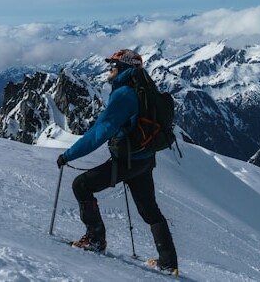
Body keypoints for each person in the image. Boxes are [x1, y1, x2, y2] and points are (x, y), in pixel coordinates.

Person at [56, 49, 178, 274]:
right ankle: (168, 262)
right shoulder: (144, 89)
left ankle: (95, 239)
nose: (109, 68)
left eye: (112, 65)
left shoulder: (124, 95)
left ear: (123, 67)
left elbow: (100, 132)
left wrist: (69, 155)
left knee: (81, 185)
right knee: (150, 211)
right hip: (144, 159)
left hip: (127, 161)